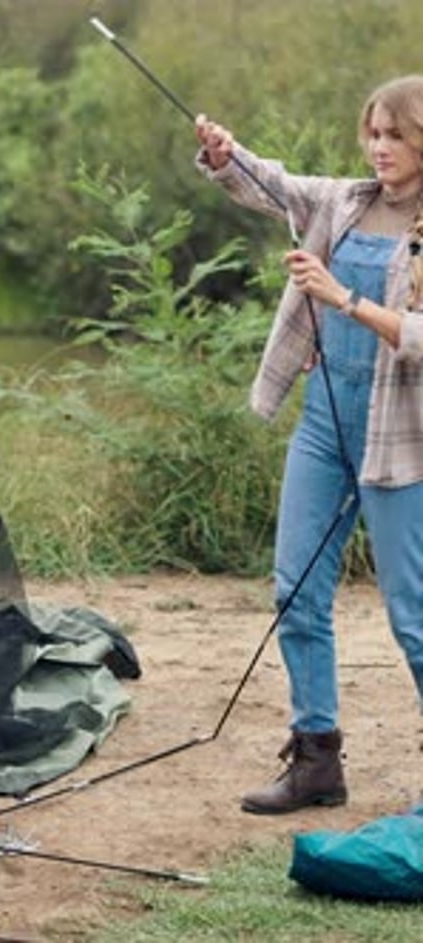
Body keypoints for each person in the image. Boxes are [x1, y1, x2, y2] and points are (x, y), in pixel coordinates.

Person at [195, 74, 423, 814]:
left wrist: (342, 297)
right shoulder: (346, 201)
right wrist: (227, 153)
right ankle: (316, 760)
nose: (379, 147)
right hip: (326, 422)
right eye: (373, 133)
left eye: (396, 135)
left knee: (412, 614)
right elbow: (272, 186)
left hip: (403, 436)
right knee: (294, 590)